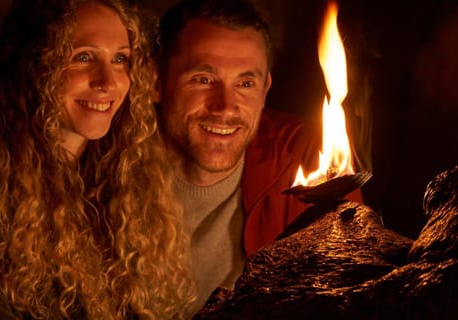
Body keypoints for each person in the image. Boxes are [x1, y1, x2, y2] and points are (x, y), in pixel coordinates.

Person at [0, 0, 194, 318]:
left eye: (120, 59)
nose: (108, 81)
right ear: (35, 66)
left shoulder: (129, 181)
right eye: (83, 57)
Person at [154, 0, 364, 314]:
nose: (225, 106)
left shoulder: (309, 156)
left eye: (245, 83)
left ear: (265, 88)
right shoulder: (107, 162)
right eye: (203, 79)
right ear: (156, 83)